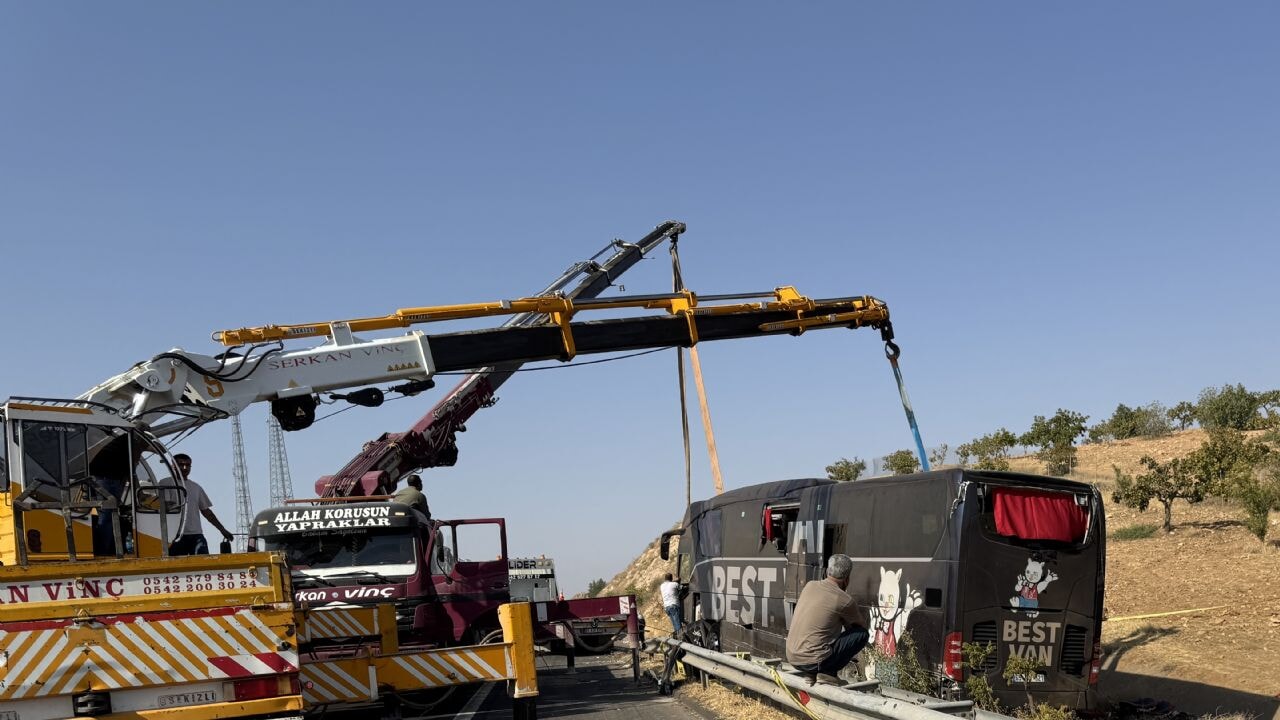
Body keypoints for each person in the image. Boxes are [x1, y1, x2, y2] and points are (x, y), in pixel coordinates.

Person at [785, 554, 869, 685]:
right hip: (815, 662)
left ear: (826, 572)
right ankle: (828, 673)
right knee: (862, 634)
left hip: (793, 658)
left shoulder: (810, 586)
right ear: (847, 580)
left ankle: (812, 674)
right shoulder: (844, 600)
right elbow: (860, 626)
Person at [169, 454, 233, 556]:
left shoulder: (196, 487)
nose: (185, 468)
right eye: (181, 464)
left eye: (188, 465)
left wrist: (222, 529)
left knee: (203, 562)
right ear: (173, 465)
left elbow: (206, 511)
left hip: (196, 535)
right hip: (174, 535)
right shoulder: (165, 484)